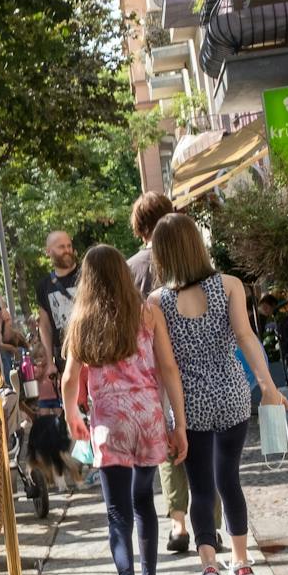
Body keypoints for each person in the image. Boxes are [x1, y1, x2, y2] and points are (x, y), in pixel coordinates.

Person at [149, 213, 288, 575]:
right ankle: (242, 564)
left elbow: (165, 367)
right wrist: (268, 386)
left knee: (200, 488)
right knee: (230, 479)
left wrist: (166, 417)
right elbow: (246, 337)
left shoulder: (157, 302)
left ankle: (209, 567)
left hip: (189, 403)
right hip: (230, 395)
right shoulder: (230, 286)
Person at [61, 245, 188, 575]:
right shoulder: (148, 311)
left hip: (109, 421)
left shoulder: (82, 320)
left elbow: (69, 380)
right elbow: (168, 367)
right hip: (147, 416)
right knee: (144, 503)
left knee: (117, 513)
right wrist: (178, 423)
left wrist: (72, 417)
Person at [127, 191, 206, 551]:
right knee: (202, 438)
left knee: (168, 441)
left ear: (139, 227)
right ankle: (211, 523)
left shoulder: (131, 268)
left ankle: (179, 525)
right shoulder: (185, 255)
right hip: (192, 358)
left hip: (153, 367)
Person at [36, 230, 82, 385]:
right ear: (48, 251)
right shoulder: (43, 286)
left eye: (69, 245)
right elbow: (45, 325)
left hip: (91, 352)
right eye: (61, 247)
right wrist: (50, 362)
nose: (67, 250)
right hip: (64, 357)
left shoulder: (87, 274)